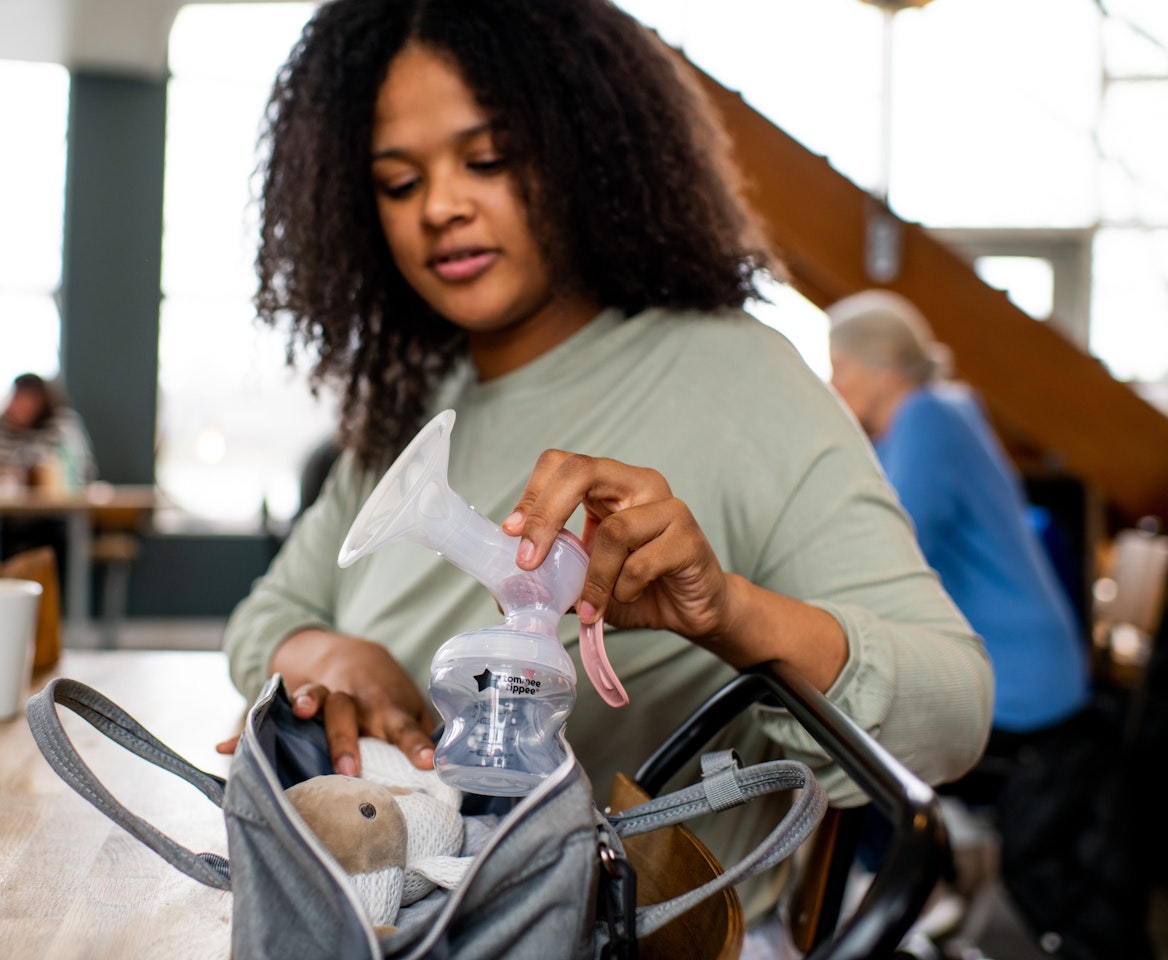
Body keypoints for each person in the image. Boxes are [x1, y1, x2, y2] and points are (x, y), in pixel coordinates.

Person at [220, 1, 992, 949]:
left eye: (489, 158)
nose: (441, 206)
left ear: (586, 147)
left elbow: (955, 710)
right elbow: (265, 618)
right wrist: (335, 660)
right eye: (397, 180)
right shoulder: (417, 400)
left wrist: (730, 615)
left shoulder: (737, 376)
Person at [826, 289, 1090, 770]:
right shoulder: (937, 413)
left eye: (840, 368)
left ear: (884, 363)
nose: (833, 384)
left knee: (850, 757)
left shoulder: (928, 418)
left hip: (1019, 682)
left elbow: (890, 547)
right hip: (1034, 664)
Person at [0, 373, 97, 492]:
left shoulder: (62, 426)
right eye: (19, 397)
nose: (23, 405)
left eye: (31, 399)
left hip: (56, 510)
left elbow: (84, 471)